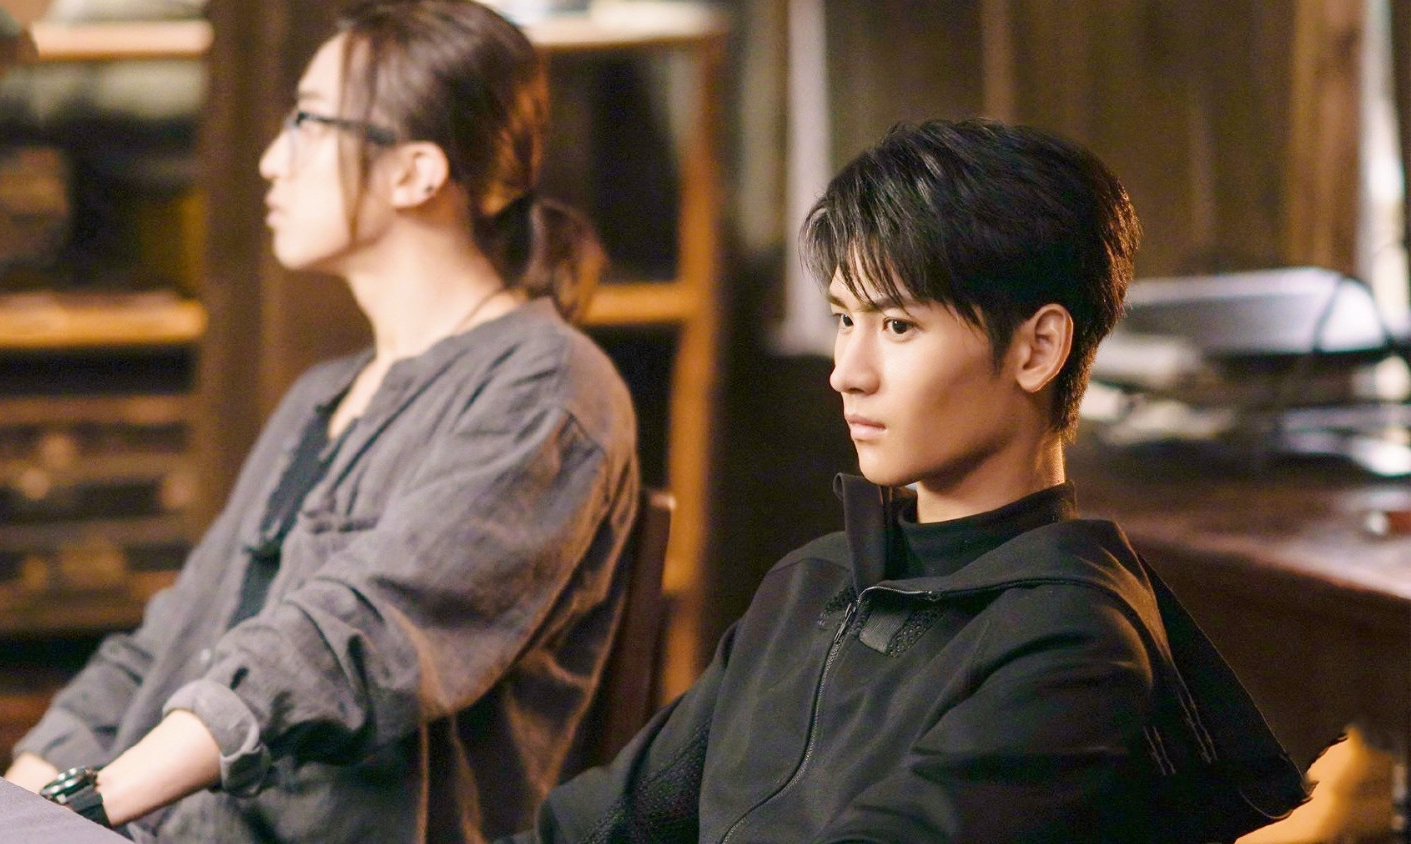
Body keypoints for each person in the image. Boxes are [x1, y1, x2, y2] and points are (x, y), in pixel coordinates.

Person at [505, 119, 1309, 843]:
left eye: (897, 325)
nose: (847, 372)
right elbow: (602, 823)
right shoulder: (815, 582)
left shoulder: (1073, 642)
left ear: (1037, 350)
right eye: (843, 320)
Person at [5, 0, 640, 842]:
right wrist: (20, 801)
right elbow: (168, 640)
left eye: (308, 123)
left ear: (416, 172)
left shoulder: (548, 384)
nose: (274, 160)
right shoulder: (323, 394)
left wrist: (92, 802)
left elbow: (353, 638)